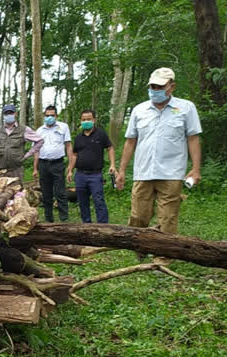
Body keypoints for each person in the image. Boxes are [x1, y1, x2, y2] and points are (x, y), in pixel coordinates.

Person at [116, 67, 202, 235]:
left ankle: (163, 256)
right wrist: (122, 170)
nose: (155, 91)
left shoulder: (186, 108)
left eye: (160, 87)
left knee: (168, 218)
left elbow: (193, 139)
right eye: (152, 87)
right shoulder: (139, 110)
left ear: (172, 87)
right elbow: (130, 141)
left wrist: (196, 169)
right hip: (143, 172)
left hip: (171, 172)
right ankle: (139, 247)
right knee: (138, 216)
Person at [67, 110, 116, 223]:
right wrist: (70, 170)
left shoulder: (101, 134)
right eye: (84, 119)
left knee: (98, 201)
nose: (86, 121)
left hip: (95, 175)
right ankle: (87, 225)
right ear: (81, 121)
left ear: (94, 120)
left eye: (89, 119)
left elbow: (110, 148)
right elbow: (74, 155)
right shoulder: (78, 137)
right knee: (83, 202)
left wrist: (112, 164)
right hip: (80, 175)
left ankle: (103, 226)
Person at [0, 104, 43, 184]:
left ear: (15, 114)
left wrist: (27, 155)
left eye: (11, 113)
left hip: (16, 170)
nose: (9, 115)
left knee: (17, 194)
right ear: (3, 115)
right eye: (6, 114)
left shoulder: (23, 129)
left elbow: (40, 141)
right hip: (1, 170)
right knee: (0, 194)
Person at [33, 105, 73, 222]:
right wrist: (35, 168)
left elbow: (69, 146)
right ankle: (49, 219)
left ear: (56, 116)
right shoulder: (39, 131)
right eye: (47, 116)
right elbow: (36, 150)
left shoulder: (63, 127)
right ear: (44, 116)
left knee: (60, 192)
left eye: (52, 115)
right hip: (43, 164)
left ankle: (64, 218)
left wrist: (70, 167)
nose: (49, 117)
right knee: (46, 193)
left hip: (58, 163)